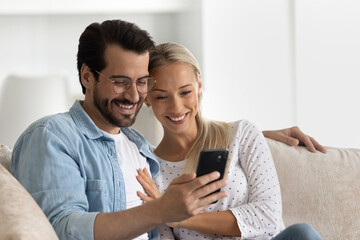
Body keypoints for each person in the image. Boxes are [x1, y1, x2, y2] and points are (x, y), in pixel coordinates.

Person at [11, 19, 324, 240]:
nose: (133, 95)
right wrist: (162, 210)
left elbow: (192, 142)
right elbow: (63, 229)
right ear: (87, 76)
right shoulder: (53, 136)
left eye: (141, 83)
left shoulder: (137, 147)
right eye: (120, 81)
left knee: (303, 234)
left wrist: (258, 136)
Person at [135, 42, 323, 239]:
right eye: (162, 97)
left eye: (185, 92)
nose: (176, 107)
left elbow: (269, 217)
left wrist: (179, 217)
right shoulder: (152, 172)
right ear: (147, 98)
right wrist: (161, 212)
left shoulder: (241, 134)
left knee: (303, 233)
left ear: (199, 87)